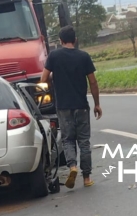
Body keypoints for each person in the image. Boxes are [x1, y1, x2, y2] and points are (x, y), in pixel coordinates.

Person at [40, 25, 102, 189]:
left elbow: (43, 79)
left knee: (68, 140)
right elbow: (93, 82)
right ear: (75, 40)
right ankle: (87, 178)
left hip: (63, 107)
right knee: (84, 142)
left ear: (60, 41)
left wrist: (54, 79)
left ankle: (72, 167)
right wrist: (97, 104)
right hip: (81, 106)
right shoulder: (84, 56)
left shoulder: (54, 56)